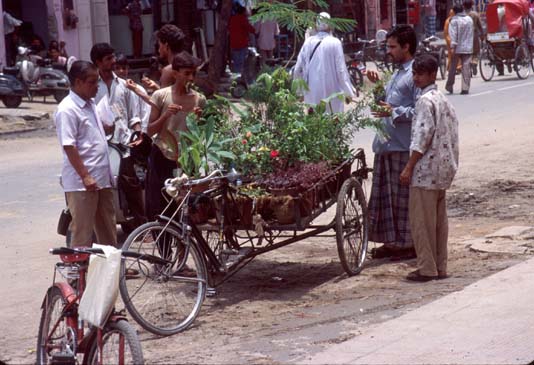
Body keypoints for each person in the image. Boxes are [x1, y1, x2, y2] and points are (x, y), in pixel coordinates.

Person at [400, 53, 459, 282]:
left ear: (432, 75)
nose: (415, 77)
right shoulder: (443, 99)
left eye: (420, 73)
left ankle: (426, 268)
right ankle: (440, 266)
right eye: (414, 73)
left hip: (425, 172)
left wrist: (408, 168)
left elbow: (420, 139)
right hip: (442, 170)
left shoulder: (425, 101)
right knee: (438, 223)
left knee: (422, 223)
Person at [366, 25, 420, 260]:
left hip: (401, 145)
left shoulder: (415, 73)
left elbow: (420, 109)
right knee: (386, 199)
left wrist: (394, 111)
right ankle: (392, 242)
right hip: (386, 144)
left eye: (392, 47)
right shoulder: (396, 72)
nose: (389, 51)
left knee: (402, 200)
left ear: (406, 47)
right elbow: (385, 105)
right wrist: (378, 88)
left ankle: (407, 245)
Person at [54, 60, 116, 247]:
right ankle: (77, 274)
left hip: (102, 179)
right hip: (83, 183)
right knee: (82, 231)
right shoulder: (67, 109)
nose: (97, 86)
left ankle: (109, 270)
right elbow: (69, 146)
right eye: (92, 82)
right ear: (79, 82)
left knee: (107, 228)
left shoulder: (90, 104)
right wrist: (86, 176)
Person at [91, 43, 147, 228]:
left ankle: (141, 225)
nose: (113, 62)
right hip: (98, 144)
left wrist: (138, 133)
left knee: (131, 183)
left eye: (113, 57)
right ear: (98, 62)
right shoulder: (90, 86)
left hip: (122, 144)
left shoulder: (124, 86)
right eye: (108, 59)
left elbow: (134, 115)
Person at [145, 51, 206, 220]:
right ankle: (164, 245)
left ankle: (183, 246)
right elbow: (150, 131)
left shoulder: (199, 99)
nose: (191, 78)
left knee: (187, 207)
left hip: (187, 159)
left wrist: (198, 120)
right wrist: (166, 115)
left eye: (193, 74)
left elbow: (201, 135)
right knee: (161, 207)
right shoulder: (161, 95)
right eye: (186, 73)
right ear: (175, 73)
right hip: (163, 157)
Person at [293, 12, 355, 113]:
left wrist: (300, 92)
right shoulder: (335, 42)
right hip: (333, 94)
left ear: (316, 26)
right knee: (333, 124)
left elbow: (297, 69)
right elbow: (341, 71)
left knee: (315, 124)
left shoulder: (308, 42)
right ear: (330, 25)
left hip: (312, 93)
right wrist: (348, 93)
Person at [141, 24, 186, 92]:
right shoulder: (188, 65)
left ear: (166, 46)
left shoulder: (168, 70)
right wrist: (155, 87)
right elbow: (173, 96)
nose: (159, 49)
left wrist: (136, 90)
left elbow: (164, 101)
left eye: (159, 45)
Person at [114, 53, 151, 133]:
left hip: (138, 133)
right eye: (117, 68)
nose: (121, 71)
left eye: (124, 68)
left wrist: (143, 134)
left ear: (128, 68)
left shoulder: (139, 89)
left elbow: (145, 114)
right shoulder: (112, 91)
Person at [445, 3, 474, 95]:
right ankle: (465, 88)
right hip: (468, 47)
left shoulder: (454, 20)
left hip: (457, 48)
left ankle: (449, 86)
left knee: (453, 67)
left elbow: (453, 34)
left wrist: (452, 47)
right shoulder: (469, 19)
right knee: (466, 68)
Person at [228, 2, 256, 73]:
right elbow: (251, 29)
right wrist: (256, 32)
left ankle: (236, 78)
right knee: (242, 62)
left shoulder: (232, 19)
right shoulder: (243, 19)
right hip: (242, 44)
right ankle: (240, 77)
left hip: (233, 43)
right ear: (243, 12)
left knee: (236, 62)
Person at [464, 0, 484, 76]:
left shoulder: (462, 15)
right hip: (474, 35)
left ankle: (469, 69)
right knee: (475, 53)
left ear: (464, 6)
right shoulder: (475, 14)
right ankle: (474, 62)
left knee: (467, 54)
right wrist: (482, 35)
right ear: (472, 5)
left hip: (464, 36)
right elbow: (480, 26)